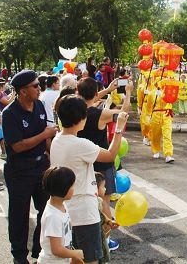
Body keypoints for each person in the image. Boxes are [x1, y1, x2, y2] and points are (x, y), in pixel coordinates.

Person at [51, 95, 128, 264]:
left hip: (67, 212)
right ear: (81, 118)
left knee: (77, 259)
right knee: (91, 259)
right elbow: (110, 155)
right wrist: (119, 128)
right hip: (84, 214)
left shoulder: (56, 140)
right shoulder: (80, 145)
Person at [2, 70, 58, 263]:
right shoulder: (10, 114)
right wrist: (44, 135)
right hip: (20, 170)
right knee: (19, 216)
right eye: (35, 86)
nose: (39, 88)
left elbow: (47, 137)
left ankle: (38, 248)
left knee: (46, 210)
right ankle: (19, 256)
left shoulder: (40, 105)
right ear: (22, 91)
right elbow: (17, 146)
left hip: (41, 166)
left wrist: (52, 156)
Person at [76, 76, 131, 251]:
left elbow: (88, 97)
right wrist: (128, 92)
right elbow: (124, 111)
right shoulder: (100, 114)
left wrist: (107, 90)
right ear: (94, 93)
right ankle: (106, 240)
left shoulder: (75, 108)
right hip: (101, 160)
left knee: (86, 199)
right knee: (104, 201)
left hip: (84, 161)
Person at [37, 166, 84, 264]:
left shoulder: (61, 205)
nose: (73, 189)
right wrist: (75, 254)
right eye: (71, 186)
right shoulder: (53, 216)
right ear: (63, 188)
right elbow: (57, 250)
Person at [94, 172, 119, 263]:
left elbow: (100, 214)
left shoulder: (98, 200)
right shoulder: (92, 203)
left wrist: (108, 221)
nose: (105, 189)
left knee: (103, 252)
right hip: (95, 236)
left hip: (100, 234)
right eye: (103, 186)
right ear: (95, 189)